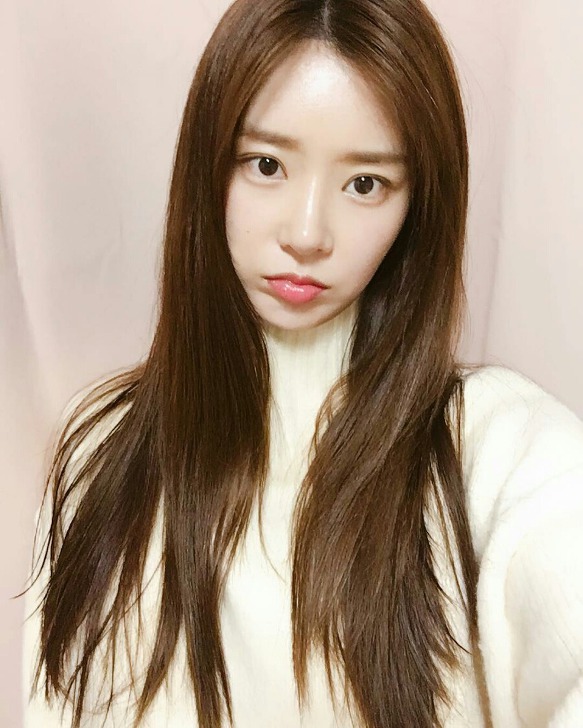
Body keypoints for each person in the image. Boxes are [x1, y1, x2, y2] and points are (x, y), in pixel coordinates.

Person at [21, 0, 583, 726]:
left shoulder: (492, 448)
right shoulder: (98, 449)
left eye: (364, 184)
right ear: (206, 168)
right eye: (266, 165)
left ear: (416, 207)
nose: (308, 233)